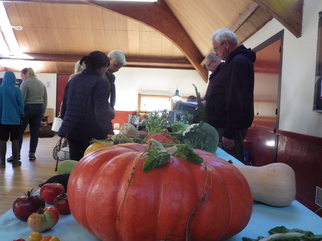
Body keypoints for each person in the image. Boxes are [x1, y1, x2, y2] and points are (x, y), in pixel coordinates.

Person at [206, 28, 256, 162]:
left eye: (216, 48)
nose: (216, 52)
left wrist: (229, 132)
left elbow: (236, 99)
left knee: (231, 165)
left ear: (226, 44)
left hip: (229, 128)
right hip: (225, 126)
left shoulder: (237, 62)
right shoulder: (232, 62)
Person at [58, 51, 111, 161]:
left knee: (75, 164)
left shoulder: (74, 80)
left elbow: (64, 108)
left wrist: (67, 123)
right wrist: (108, 132)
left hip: (72, 129)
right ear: (102, 68)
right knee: (90, 165)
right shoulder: (100, 83)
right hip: (90, 132)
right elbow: (101, 111)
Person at [7, 68, 48, 162]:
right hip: (39, 109)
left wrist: (19, 112)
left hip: (28, 109)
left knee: (19, 132)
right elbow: (45, 99)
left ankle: (16, 155)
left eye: (22, 76)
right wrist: (43, 112)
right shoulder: (41, 83)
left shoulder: (26, 83)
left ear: (26, 74)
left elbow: (21, 99)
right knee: (34, 133)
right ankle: (32, 154)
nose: (22, 78)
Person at [0, 71, 24, 168]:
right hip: (15, 119)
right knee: (15, 139)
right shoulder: (17, 90)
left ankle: (2, 163)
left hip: (2, 119)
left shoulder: (0, 89)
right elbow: (21, 105)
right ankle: (15, 162)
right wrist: (22, 115)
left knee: (2, 140)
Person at [104, 50, 126, 135]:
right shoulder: (100, 77)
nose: (117, 69)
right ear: (108, 59)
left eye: (119, 67)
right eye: (115, 65)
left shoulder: (111, 77)